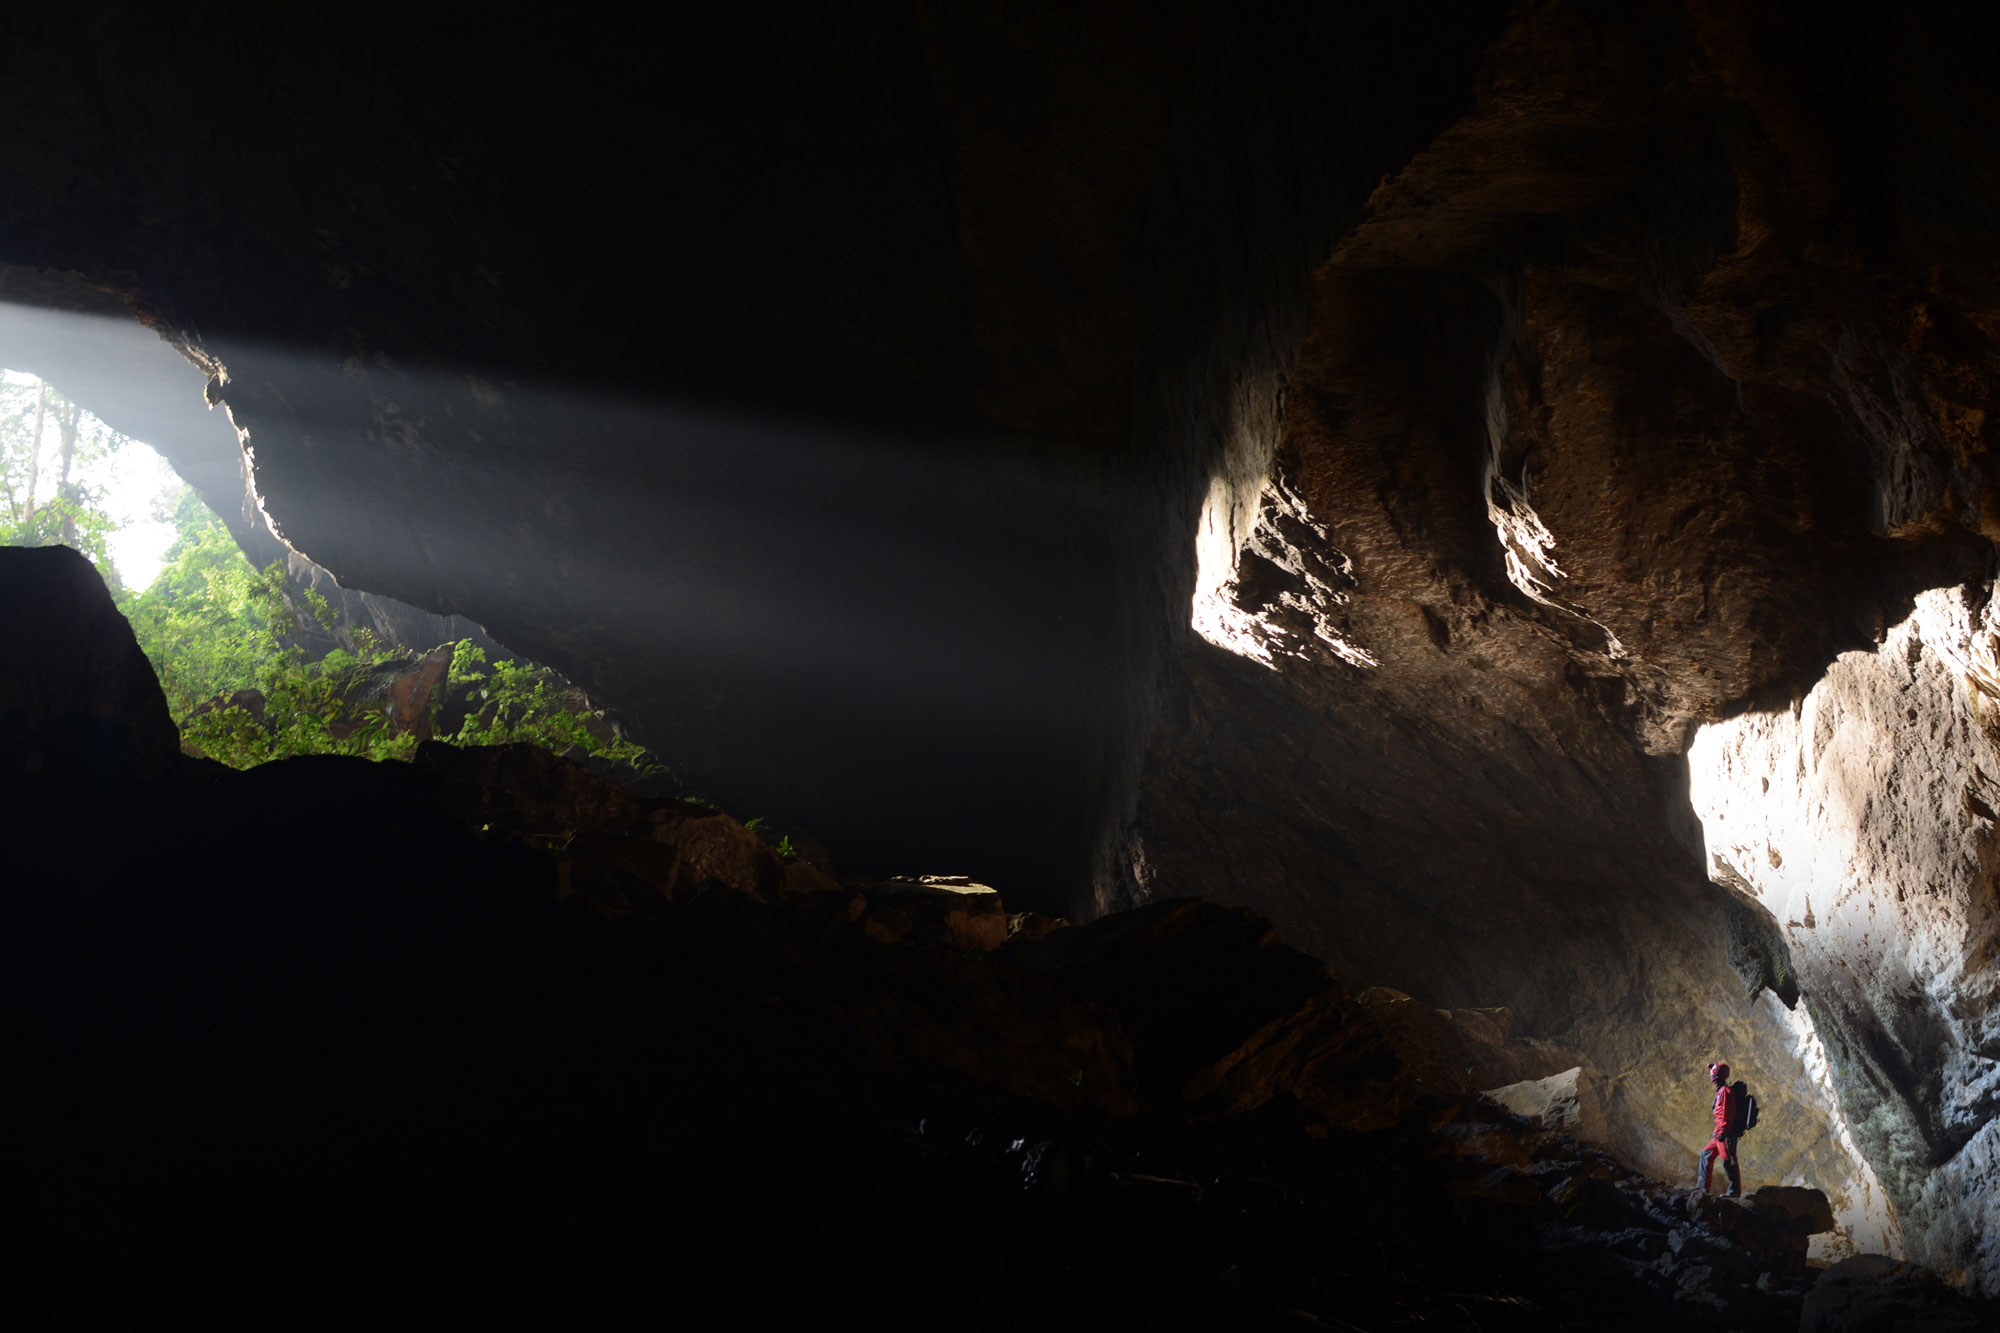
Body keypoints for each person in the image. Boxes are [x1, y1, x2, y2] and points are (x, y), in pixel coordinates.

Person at [1697, 1060, 1743, 1197]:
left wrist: (1723, 1131)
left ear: (1718, 1075)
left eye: (1713, 1072)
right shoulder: (1720, 1091)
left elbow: (1728, 1113)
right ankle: (1702, 1188)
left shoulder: (1726, 1092)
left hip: (1725, 1133)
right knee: (1706, 1154)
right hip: (1719, 1133)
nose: (1711, 1075)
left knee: (1728, 1160)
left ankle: (1734, 1192)